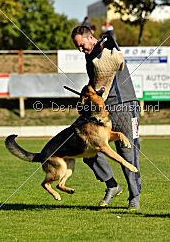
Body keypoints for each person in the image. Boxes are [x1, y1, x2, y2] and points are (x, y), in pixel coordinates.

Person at [71, 26, 141, 210]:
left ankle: (134, 196)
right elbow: (96, 85)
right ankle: (112, 185)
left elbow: (109, 43)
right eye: (77, 47)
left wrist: (104, 39)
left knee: (127, 152)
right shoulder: (88, 57)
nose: (80, 49)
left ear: (91, 38)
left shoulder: (106, 44)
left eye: (82, 45)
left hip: (125, 105)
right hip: (101, 110)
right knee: (87, 148)